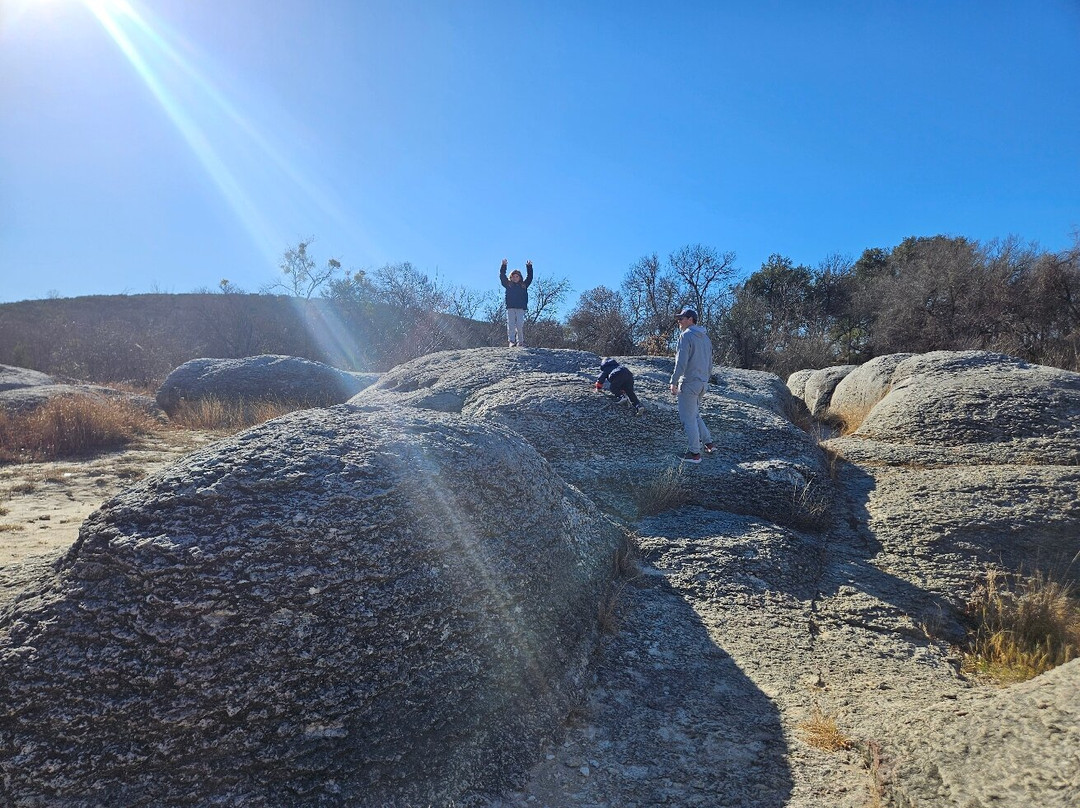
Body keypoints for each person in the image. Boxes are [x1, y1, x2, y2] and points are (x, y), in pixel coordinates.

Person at [670, 307, 716, 463]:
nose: (679, 321)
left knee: (687, 419)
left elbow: (681, 363)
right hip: (702, 383)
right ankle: (709, 443)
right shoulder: (706, 338)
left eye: (681, 318)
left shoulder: (686, 336)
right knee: (695, 415)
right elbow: (710, 364)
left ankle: (695, 454)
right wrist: (705, 380)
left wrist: (673, 382)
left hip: (689, 383)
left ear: (690, 319)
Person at [499, 258, 533, 347]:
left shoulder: (523, 285)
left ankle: (520, 341)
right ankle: (512, 341)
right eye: (513, 276)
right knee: (511, 325)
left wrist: (529, 267)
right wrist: (504, 266)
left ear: (520, 277)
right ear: (511, 277)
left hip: (520, 308)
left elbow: (530, 277)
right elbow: (502, 276)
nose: (515, 278)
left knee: (519, 325)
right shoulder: (508, 285)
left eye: (517, 276)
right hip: (510, 307)